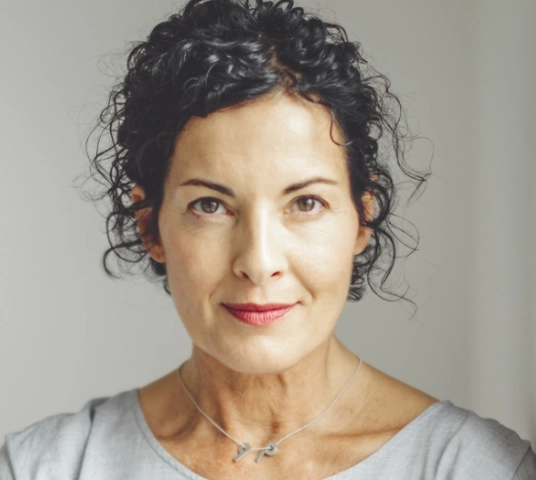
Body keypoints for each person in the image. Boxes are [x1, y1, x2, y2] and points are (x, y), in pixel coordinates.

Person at [1, 0, 535, 478]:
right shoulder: (46, 466)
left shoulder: (476, 467)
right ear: (150, 225)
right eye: (210, 205)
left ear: (362, 219)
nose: (258, 263)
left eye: (306, 203)